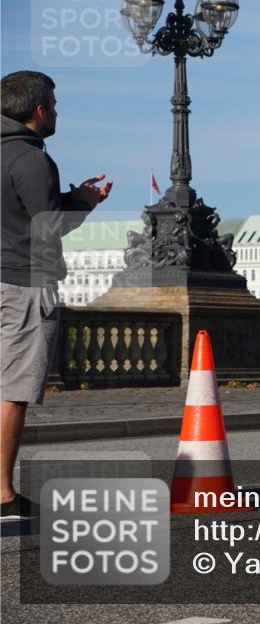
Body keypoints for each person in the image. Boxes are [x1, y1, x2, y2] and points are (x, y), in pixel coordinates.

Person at [1, 71, 113, 521]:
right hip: (24, 284)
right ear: (40, 110)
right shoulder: (31, 158)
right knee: (13, 389)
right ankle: (2, 496)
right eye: (55, 103)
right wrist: (85, 201)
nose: (58, 111)